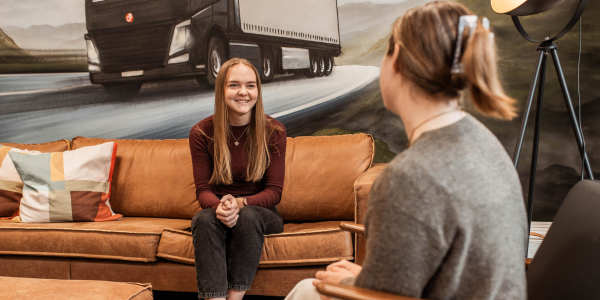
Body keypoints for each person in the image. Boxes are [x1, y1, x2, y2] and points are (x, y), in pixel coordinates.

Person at [284, 1, 527, 299]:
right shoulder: (485, 142)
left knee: (307, 289)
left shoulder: (409, 177)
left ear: (396, 59)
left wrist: (349, 285)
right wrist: (366, 278)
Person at [189, 58, 286, 300]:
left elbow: (274, 191)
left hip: (262, 213)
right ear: (221, 89)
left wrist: (240, 204)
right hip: (219, 210)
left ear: (257, 91)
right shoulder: (202, 133)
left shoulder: (274, 131)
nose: (243, 92)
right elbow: (203, 190)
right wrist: (221, 207)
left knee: (248, 215)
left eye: (250, 85)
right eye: (234, 85)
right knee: (203, 219)